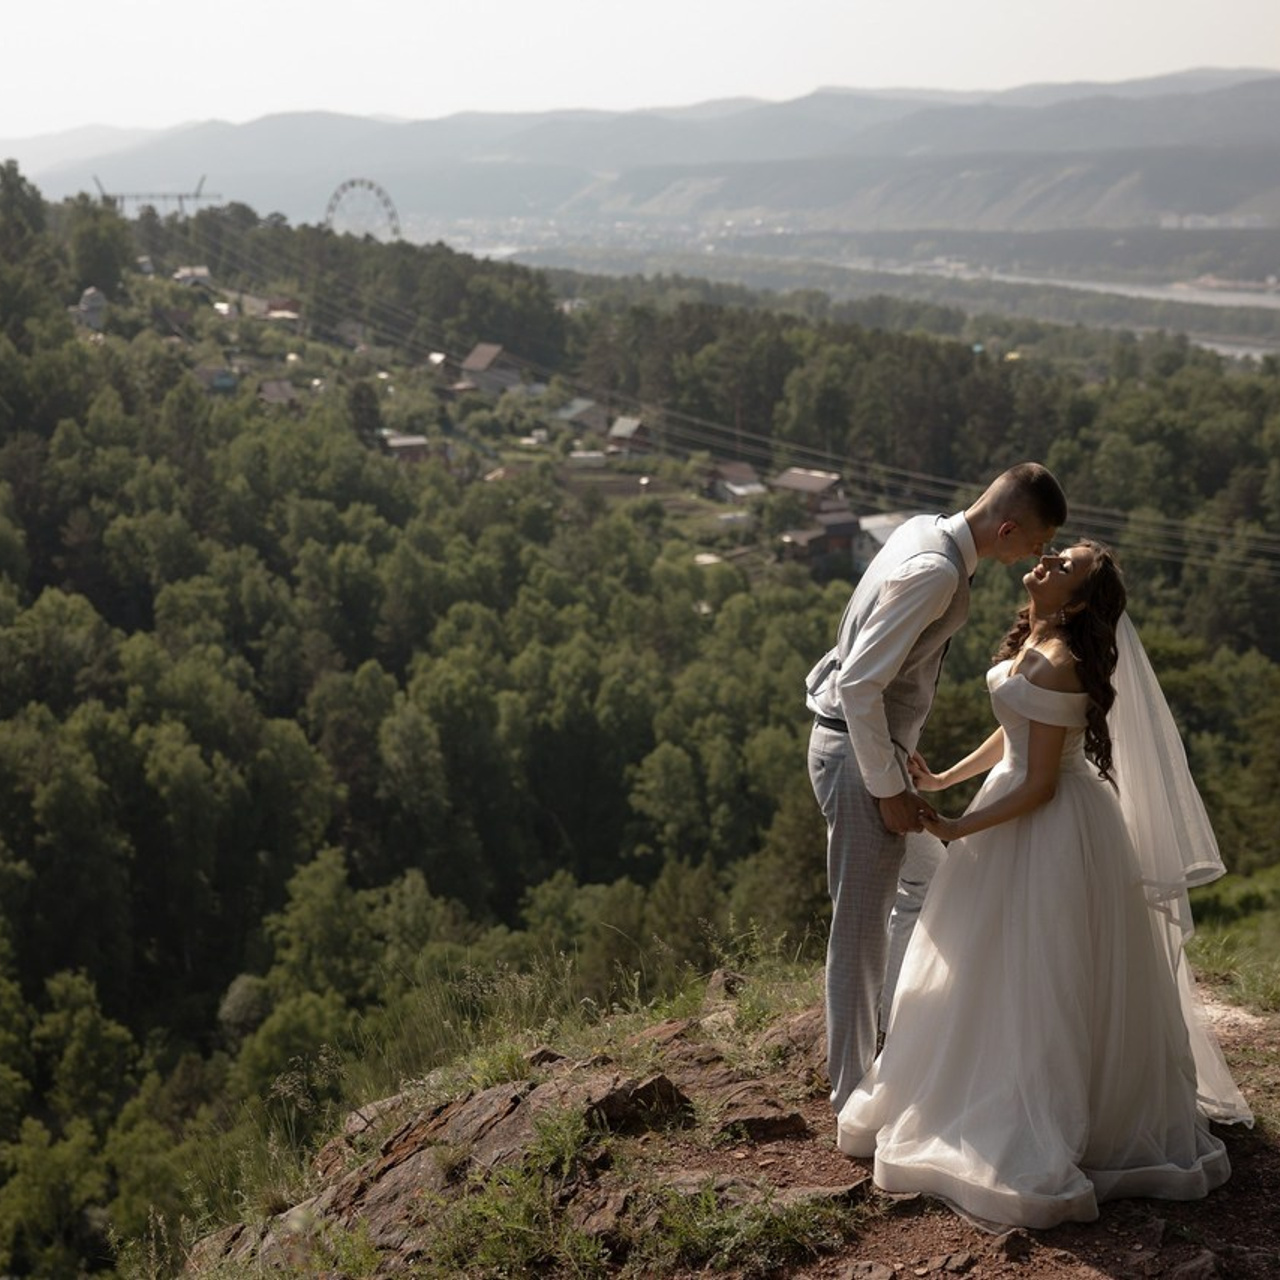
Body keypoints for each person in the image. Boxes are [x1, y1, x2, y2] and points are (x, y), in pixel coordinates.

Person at [836, 542, 1254, 1230]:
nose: (1051, 562)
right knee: (981, 967)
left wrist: (956, 831)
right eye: (1056, 555)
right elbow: (1016, 732)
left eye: (1067, 568)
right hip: (1012, 804)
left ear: (1083, 600)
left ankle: (1045, 1115)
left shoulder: (1061, 663)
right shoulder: (1040, 636)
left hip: (1050, 825)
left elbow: (1038, 782)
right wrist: (947, 780)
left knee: (1043, 976)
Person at [805, 463, 1067, 1112]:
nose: (1031, 558)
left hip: (868, 746)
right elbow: (860, 683)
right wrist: (888, 784)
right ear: (1006, 528)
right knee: (858, 933)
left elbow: (880, 669)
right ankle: (851, 1095)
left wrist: (899, 745)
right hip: (857, 758)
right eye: (1031, 545)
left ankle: (896, 1034)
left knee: (930, 875)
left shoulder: (923, 530)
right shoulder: (939, 571)